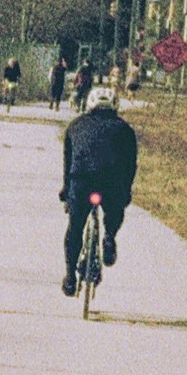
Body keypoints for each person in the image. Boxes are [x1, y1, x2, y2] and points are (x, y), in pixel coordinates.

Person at [60, 84, 138, 296]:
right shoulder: (125, 129)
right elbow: (131, 165)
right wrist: (126, 191)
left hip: (82, 182)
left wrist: (66, 191)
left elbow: (68, 163)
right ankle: (110, 236)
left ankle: (69, 277)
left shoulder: (75, 126)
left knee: (75, 228)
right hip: (111, 183)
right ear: (114, 106)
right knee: (114, 212)